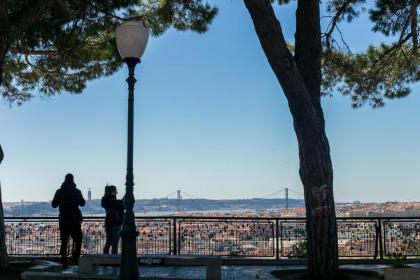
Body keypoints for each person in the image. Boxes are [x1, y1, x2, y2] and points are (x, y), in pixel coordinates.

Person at [52, 173, 85, 267]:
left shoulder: (59, 192)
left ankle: (64, 261)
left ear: (64, 180)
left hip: (64, 220)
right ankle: (76, 258)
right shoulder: (77, 191)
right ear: (73, 180)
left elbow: (54, 205)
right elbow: (82, 203)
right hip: (75, 220)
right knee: (78, 240)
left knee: (64, 241)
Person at [101, 185, 124, 254]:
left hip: (108, 223)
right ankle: (113, 260)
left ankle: (105, 259)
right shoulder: (113, 202)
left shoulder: (107, 201)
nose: (117, 193)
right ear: (112, 192)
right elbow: (120, 206)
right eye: (116, 191)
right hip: (116, 223)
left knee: (108, 242)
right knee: (115, 243)